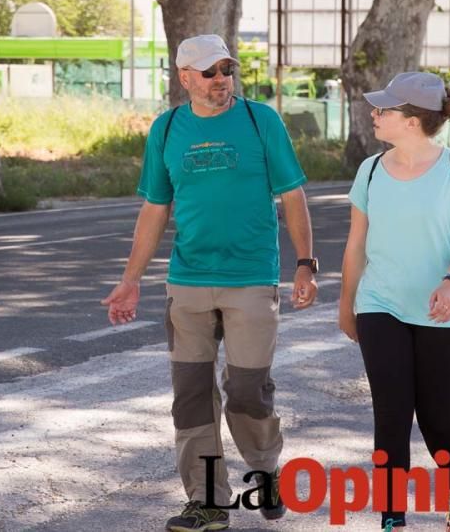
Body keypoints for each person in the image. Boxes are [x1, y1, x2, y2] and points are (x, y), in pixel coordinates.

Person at [101, 34, 318, 532]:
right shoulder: (167, 128)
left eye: (227, 69)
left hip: (251, 280)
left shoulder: (261, 120)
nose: (222, 79)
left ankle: (265, 470)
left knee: (247, 392)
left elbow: (292, 195)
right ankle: (208, 502)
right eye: (210, 71)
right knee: (192, 396)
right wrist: (131, 280)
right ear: (185, 79)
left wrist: (305, 263)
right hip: (188, 283)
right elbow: (155, 208)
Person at [339, 72, 450, 532]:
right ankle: (391, 514)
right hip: (380, 304)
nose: (375, 116)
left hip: (444, 310)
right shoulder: (371, 170)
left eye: (384, 110)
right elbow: (356, 244)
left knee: (439, 420)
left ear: (413, 120)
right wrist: (347, 303)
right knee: (392, 413)